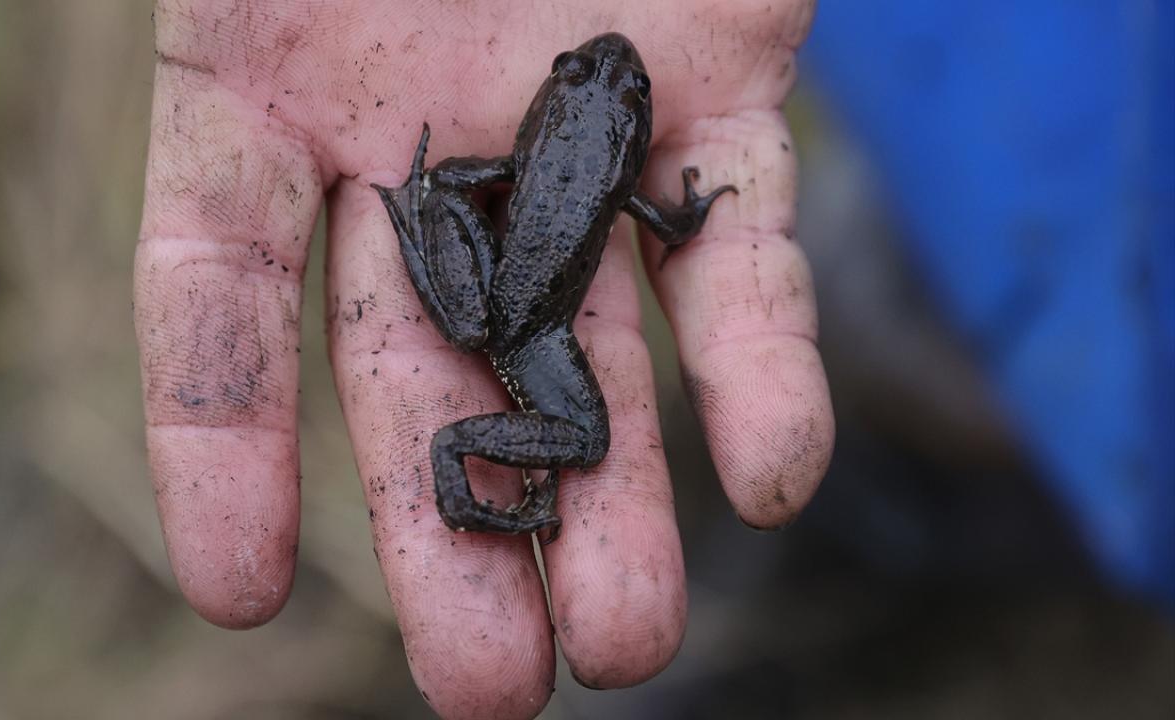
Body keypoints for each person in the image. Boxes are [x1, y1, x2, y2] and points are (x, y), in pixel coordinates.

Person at [133, 2, 833, 718]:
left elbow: (460, 178)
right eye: (575, 71)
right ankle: (465, 475)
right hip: (534, 331)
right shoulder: (626, 191)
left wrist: (425, 204)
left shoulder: (526, 160)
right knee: (588, 437)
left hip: (508, 304)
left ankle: (463, 470)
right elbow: (670, 225)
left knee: (449, 226)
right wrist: (688, 210)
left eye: (631, 93)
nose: (610, 66)